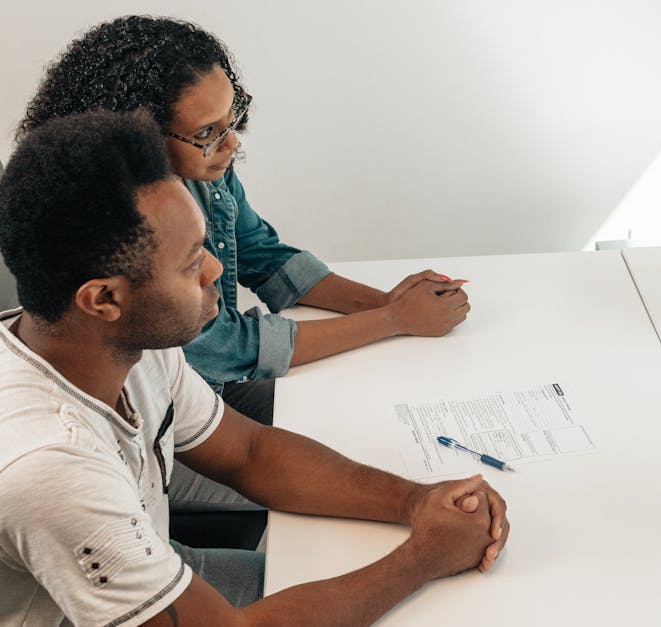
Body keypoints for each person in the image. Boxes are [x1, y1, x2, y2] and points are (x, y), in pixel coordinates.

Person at [0, 110, 509, 624]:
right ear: (104, 299)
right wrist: (424, 557)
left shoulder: (127, 341)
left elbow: (250, 453)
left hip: (158, 564)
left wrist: (418, 502)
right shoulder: (49, 467)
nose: (215, 270)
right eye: (192, 262)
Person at [18, 15, 471, 530]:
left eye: (232, 121)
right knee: (330, 491)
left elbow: (264, 255)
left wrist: (391, 303)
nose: (231, 144)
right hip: (165, 432)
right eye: (207, 133)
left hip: (202, 403)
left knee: (356, 435)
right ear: (137, 135)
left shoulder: (206, 174)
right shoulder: (104, 228)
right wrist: (393, 320)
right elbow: (223, 345)